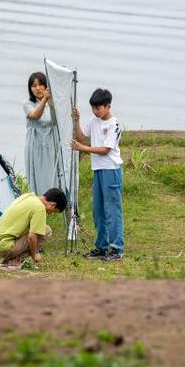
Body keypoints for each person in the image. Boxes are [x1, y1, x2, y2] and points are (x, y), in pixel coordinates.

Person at [71, 88, 124, 261]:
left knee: (112, 210)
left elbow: (105, 149)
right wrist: (76, 120)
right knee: (98, 210)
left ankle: (117, 249)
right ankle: (101, 246)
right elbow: (80, 136)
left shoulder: (114, 124)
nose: (95, 111)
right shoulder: (94, 121)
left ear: (108, 106)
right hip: (98, 170)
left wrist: (83, 149)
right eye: (93, 108)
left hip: (111, 170)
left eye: (98, 108)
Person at [0, 188, 67, 268]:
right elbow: (31, 236)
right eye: (54, 211)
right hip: (6, 247)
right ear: (53, 204)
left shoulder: (28, 197)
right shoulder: (40, 208)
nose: (51, 213)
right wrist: (34, 254)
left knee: (36, 227)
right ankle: (16, 260)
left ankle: (7, 261)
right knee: (46, 230)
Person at [24, 72, 62, 195]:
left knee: (52, 172)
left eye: (41, 84)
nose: (38, 88)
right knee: (37, 173)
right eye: (34, 85)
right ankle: (38, 201)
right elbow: (35, 116)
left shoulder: (54, 102)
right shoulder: (28, 103)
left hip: (51, 143)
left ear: (46, 86)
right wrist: (45, 99)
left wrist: (51, 102)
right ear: (30, 88)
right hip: (35, 145)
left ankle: (54, 201)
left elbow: (58, 120)